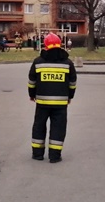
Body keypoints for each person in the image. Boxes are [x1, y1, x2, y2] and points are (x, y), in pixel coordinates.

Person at [28, 33, 77, 163]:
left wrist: (32, 95)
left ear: (45, 45)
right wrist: (70, 96)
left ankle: (37, 154)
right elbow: (72, 83)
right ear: (60, 44)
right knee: (58, 128)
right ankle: (54, 156)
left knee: (39, 126)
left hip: (42, 102)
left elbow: (32, 81)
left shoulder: (38, 62)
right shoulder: (67, 63)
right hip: (60, 103)